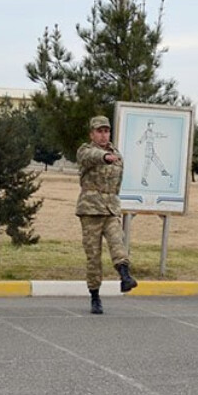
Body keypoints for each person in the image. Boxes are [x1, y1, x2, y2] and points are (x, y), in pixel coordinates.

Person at [75, 115, 137, 314]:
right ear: (92, 134)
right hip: (91, 210)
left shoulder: (117, 154)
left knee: (118, 242)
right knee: (93, 256)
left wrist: (115, 203)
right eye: (99, 131)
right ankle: (95, 296)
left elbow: (116, 185)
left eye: (106, 131)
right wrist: (104, 157)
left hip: (110, 209)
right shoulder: (85, 150)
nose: (103, 135)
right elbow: (91, 156)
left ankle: (125, 276)